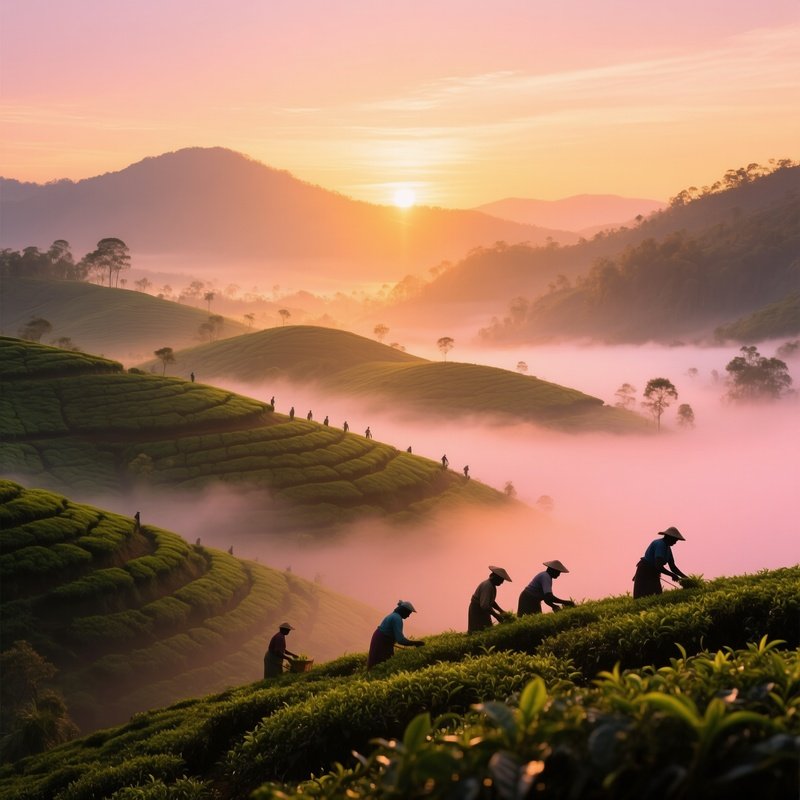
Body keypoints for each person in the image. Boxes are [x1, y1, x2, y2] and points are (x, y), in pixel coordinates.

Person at [633, 527, 688, 598]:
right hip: (645, 571)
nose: (675, 542)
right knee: (644, 595)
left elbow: (673, 567)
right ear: (669, 537)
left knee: (656, 594)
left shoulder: (668, 548)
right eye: (674, 540)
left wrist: (685, 578)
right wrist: (672, 575)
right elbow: (658, 566)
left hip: (654, 572)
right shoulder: (660, 544)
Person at [367, 600, 424, 669]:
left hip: (380, 639)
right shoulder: (397, 619)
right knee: (380, 662)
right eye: (408, 613)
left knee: (377, 661)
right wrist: (416, 643)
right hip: (381, 642)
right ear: (403, 611)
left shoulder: (393, 615)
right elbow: (400, 640)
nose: (408, 616)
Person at [468, 566, 512, 632]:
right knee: (478, 631)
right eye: (501, 580)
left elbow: (491, 601)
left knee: (487, 629)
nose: (502, 582)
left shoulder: (491, 586)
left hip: (483, 611)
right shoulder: (487, 586)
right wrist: (497, 616)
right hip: (478, 611)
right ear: (495, 577)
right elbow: (485, 606)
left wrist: (500, 610)